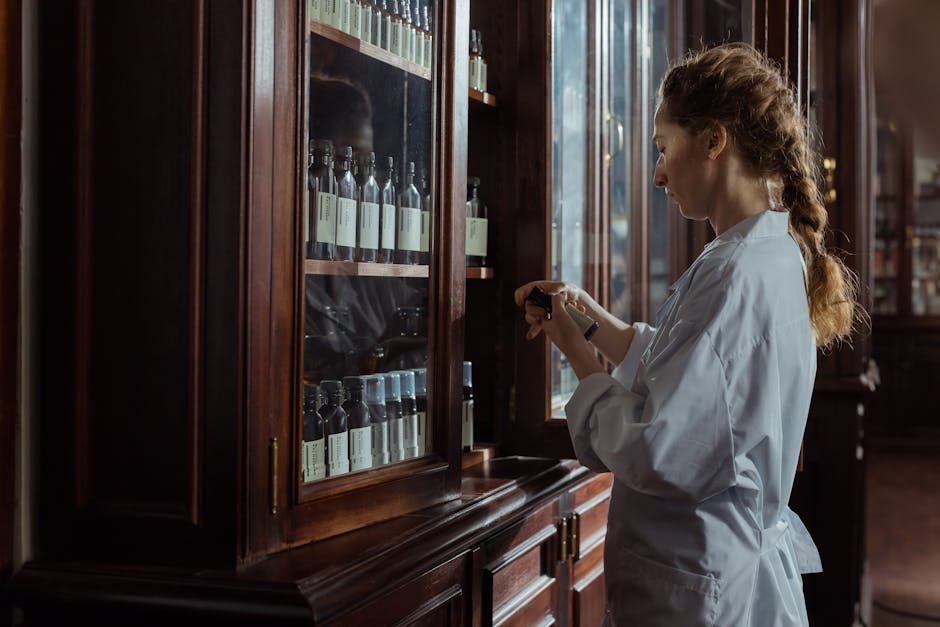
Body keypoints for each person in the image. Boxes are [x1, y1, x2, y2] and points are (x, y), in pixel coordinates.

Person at [515, 43, 861, 626]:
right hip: (713, 565)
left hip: (702, 582)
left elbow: (660, 447)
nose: (655, 173)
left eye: (662, 147)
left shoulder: (735, 273)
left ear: (713, 141)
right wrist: (598, 323)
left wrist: (577, 351)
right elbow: (697, 374)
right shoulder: (759, 252)